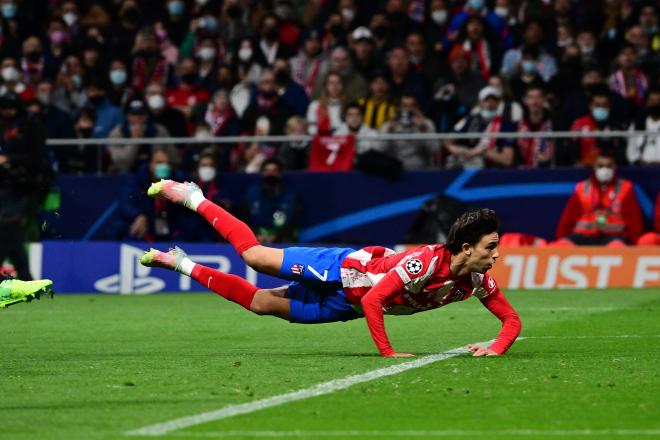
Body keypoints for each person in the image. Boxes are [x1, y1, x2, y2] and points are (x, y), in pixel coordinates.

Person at [141, 183, 521, 357]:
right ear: (467, 248)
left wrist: (496, 348)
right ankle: (195, 197)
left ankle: (179, 261)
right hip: (343, 272)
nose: (497, 255)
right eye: (491, 247)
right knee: (255, 257)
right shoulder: (424, 262)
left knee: (259, 303)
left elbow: (511, 321)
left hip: (347, 307)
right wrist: (388, 353)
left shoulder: (476, 279)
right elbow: (375, 299)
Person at [554, 151, 644, 247]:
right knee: (563, 245)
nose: (605, 169)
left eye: (609, 166)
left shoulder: (625, 188)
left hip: (613, 236)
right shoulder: (582, 187)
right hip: (583, 235)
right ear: (594, 167)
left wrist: (634, 244)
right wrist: (561, 238)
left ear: (614, 168)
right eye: (600, 166)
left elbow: (634, 220)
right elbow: (567, 219)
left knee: (617, 247)